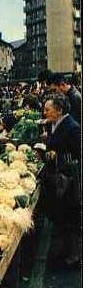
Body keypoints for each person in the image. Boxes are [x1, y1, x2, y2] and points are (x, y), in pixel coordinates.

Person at [39, 94, 81, 269]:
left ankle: (74, 257)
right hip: (60, 177)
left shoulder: (72, 127)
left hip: (68, 179)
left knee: (69, 217)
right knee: (62, 216)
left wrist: (57, 155)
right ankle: (65, 252)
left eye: (48, 109)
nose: (45, 112)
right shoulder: (56, 124)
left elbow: (77, 154)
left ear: (59, 110)